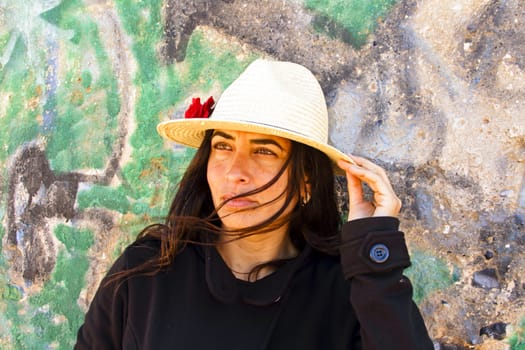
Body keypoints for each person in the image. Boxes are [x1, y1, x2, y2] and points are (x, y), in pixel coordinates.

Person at [75, 59, 433, 349]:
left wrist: (374, 252)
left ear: (307, 182)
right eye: (223, 146)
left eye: (264, 151)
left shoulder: (344, 292)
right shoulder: (148, 272)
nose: (235, 173)